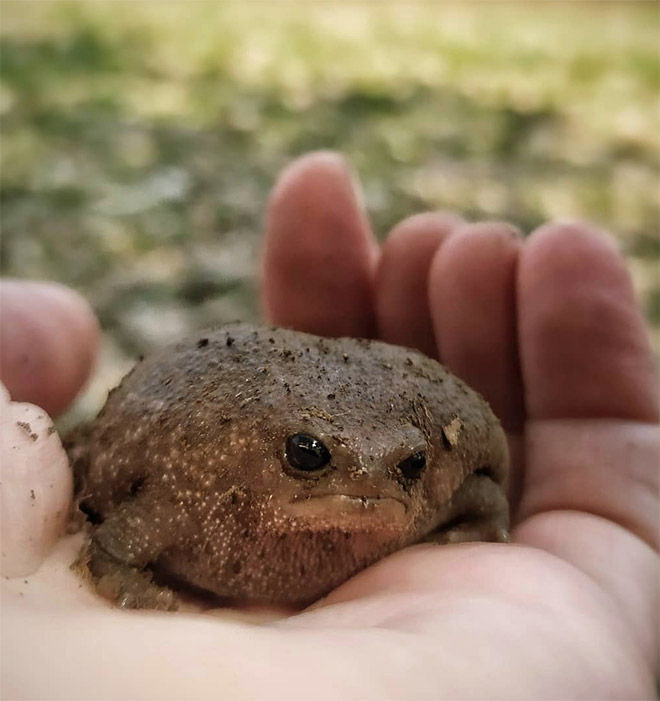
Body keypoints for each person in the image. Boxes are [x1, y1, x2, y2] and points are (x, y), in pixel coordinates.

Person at [1, 151, 657, 699]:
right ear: (282, 450)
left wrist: (476, 527)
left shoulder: (430, 491)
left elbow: (480, 494)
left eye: (405, 466)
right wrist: (135, 612)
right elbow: (114, 549)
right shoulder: (198, 492)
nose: (368, 481)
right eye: (312, 456)